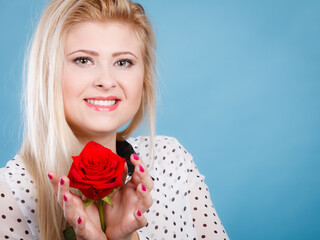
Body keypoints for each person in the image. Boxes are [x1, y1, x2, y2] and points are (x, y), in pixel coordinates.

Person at [0, 0, 229, 239]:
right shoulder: (8, 195)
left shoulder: (171, 159)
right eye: (83, 60)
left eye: (123, 62)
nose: (106, 81)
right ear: (47, 73)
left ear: (144, 78)